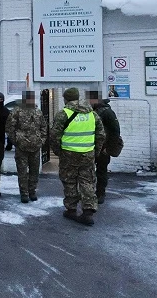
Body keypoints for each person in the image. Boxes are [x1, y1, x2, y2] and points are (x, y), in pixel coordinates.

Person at [51, 87, 105, 226]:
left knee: (69, 181)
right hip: (87, 153)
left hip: (69, 154)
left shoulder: (64, 114)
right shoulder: (92, 114)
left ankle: (71, 209)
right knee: (87, 181)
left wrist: (58, 151)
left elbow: (54, 135)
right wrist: (95, 151)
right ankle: (88, 211)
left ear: (66, 99)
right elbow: (100, 135)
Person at [5, 90, 47, 203]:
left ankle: (32, 191)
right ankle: (24, 193)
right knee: (22, 172)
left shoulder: (38, 112)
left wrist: (41, 141)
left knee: (34, 171)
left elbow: (44, 127)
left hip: (35, 147)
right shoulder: (16, 112)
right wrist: (16, 141)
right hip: (22, 147)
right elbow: (10, 128)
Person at [89, 92, 120, 204]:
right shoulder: (94, 111)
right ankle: (90, 193)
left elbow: (115, 132)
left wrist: (109, 149)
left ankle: (100, 193)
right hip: (93, 146)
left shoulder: (107, 112)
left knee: (101, 171)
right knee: (90, 171)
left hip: (103, 148)